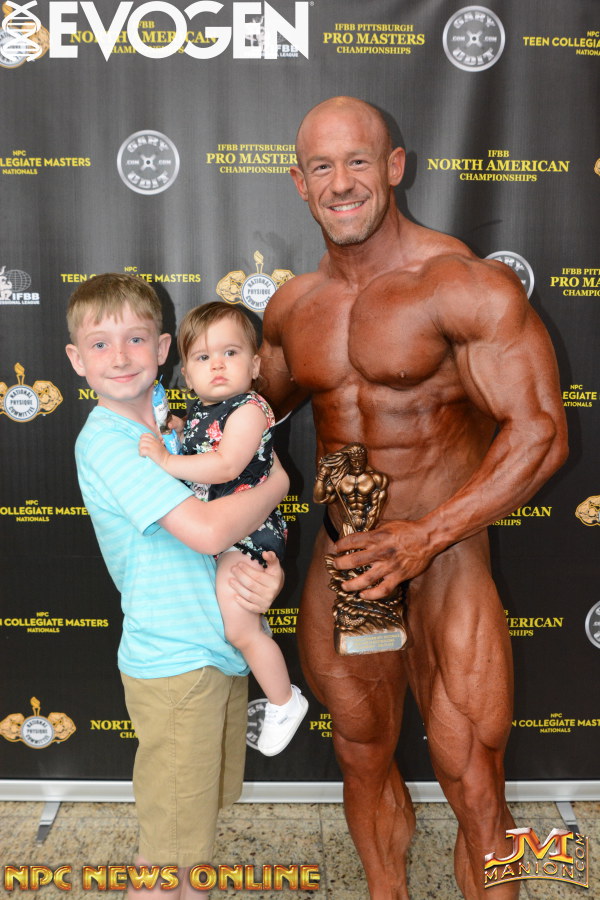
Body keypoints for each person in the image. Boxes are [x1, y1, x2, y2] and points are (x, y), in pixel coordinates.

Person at [259, 97, 568, 900]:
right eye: (322, 167)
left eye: (358, 161)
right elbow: (244, 416)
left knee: (474, 775)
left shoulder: (460, 283)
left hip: (446, 556)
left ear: (394, 167)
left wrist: (427, 536)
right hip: (349, 562)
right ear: (299, 182)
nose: (341, 183)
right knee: (361, 754)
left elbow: (540, 434)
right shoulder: (293, 308)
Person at [65, 274, 289, 899]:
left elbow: (240, 520)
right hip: (174, 664)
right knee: (166, 861)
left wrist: (266, 575)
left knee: (193, 842)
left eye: (135, 339)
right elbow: (211, 528)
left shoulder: (180, 421)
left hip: (220, 651)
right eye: (100, 344)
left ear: (164, 349)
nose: (120, 356)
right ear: (78, 361)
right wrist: (278, 486)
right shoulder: (109, 442)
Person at [138, 302, 308, 756]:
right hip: (223, 529)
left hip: (248, 532)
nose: (217, 364)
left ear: (254, 366)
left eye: (230, 353)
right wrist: (174, 430)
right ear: (187, 376)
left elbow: (227, 464)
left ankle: (284, 701)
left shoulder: (250, 409)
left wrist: (167, 460)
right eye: (203, 357)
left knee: (240, 630)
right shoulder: (200, 410)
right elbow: (197, 441)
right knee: (238, 621)